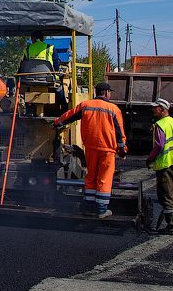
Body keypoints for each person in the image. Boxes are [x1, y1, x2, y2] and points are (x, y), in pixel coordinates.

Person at [53, 82, 127, 218]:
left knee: (91, 176)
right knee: (104, 178)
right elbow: (119, 133)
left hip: (91, 148)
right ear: (106, 93)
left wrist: (57, 122)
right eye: (109, 92)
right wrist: (122, 150)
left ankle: (89, 206)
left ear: (96, 92)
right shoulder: (113, 109)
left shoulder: (86, 105)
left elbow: (70, 115)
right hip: (108, 150)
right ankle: (101, 210)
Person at [146, 98, 173, 234]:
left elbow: (159, 145)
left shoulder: (160, 124)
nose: (153, 110)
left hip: (166, 163)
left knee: (166, 194)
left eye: (156, 107)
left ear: (163, 109)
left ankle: (172, 227)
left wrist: (150, 159)